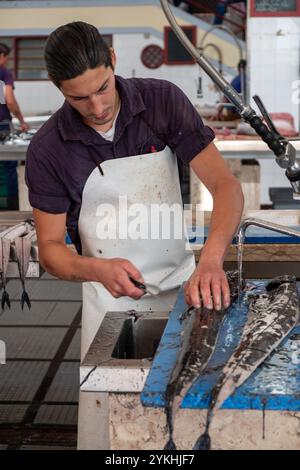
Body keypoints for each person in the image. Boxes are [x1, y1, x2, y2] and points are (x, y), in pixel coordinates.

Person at [25, 22, 244, 449]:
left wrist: (211, 260)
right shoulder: (49, 149)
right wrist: (95, 267)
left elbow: (226, 187)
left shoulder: (161, 102)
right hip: (109, 304)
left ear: (112, 59)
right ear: (57, 87)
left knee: (183, 427)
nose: (97, 106)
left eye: (102, 88)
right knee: (115, 432)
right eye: (78, 97)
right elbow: (50, 251)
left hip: (185, 289)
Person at [0, 43, 29, 210]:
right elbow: (8, 100)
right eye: (6, 57)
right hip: (2, 125)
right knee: (9, 166)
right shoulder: (3, 73)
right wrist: (21, 120)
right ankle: (12, 208)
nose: (7, 60)